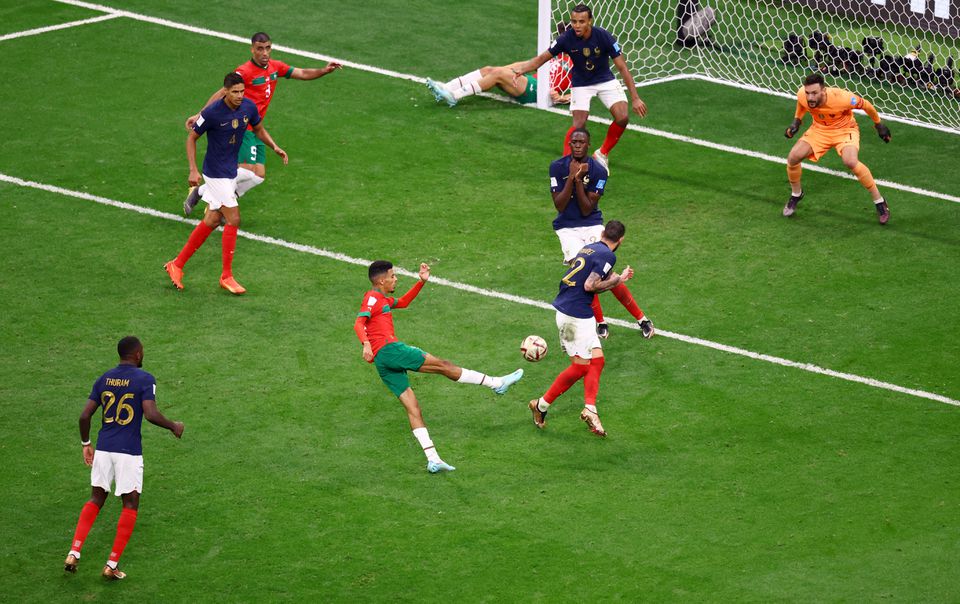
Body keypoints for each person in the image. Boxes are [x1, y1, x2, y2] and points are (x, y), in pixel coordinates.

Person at [354, 260, 524, 473]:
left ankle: (433, 459)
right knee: (444, 366)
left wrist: (421, 282)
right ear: (381, 280)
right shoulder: (371, 298)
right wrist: (366, 344)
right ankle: (496, 383)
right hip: (390, 351)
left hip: (383, 362)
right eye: (393, 275)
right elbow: (359, 323)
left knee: (413, 407)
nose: (396, 278)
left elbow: (404, 302)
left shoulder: (382, 299)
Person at [63, 336, 184, 581]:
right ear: (137, 354)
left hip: (104, 448)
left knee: (96, 498)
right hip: (128, 452)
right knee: (130, 504)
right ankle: (111, 564)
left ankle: (74, 552)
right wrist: (173, 425)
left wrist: (86, 444)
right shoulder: (145, 379)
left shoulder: (104, 378)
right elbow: (150, 414)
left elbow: (84, 416)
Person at [183, 32, 341, 215]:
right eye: (260, 49)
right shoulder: (244, 71)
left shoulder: (275, 67)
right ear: (252, 50)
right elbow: (222, 93)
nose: (264, 53)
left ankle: (204, 192)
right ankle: (218, 204)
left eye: (267, 48)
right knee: (247, 170)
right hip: (240, 127)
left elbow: (302, 73)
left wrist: (324, 70)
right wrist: (200, 114)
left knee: (258, 176)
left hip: (256, 126)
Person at [165, 73, 287, 295]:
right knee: (233, 218)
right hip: (215, 173)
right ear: (225, 91)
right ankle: (226, 276)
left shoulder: (248, 107)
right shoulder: (212, 113)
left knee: (212, 219)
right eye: (235, 92)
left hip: (230, 170)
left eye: (242, 91)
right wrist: (193, 169)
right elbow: (192, 138)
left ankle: (177, 264)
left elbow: (258, 129)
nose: (240, 96)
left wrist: (275, 147)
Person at [513, 3, 648, 173]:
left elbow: (623, 68)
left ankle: (602, 153)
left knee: (622, 117)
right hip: (581, 83)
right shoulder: (566, 38)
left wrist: (635, 98)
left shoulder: (604, 36)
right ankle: (566, 164)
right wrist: (522, 70)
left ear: (590, 21)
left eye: (581, 21)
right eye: (574, 21)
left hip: (605, 80)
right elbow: (542, 58)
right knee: (578, 125)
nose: (577, 25)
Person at [528, 220, 633, 437]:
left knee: (598, 359)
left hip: (568, 310)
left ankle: (590, 408)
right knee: (581, 367)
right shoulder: (608, 255)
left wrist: (613, 278)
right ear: (620, 240)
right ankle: (540, 405)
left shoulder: (589, 248)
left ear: (603, 233)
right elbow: (590, 285)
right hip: (576, 316)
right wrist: (618, 280)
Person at [549, 127, 654, 340]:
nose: (577, 145)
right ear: (570, 144)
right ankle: (600, 322)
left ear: (588, 145)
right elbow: (559, 206)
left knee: (604, 271)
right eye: (574, 142)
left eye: (581, 142)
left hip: (591, 224)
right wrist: (571, 178)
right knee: (583, 275)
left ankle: (641, 318)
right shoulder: (557, 167)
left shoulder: (598, 171)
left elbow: (587, 208)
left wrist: (579, 180)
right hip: (567, 228)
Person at [783, 72, 892, 224]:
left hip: (845, 130)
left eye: (814, 93)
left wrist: (878, 124)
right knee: (793, 157)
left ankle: (879, 201)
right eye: (808, 93)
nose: (810, 97)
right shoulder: (803, 94)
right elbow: (801, 104)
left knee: (850, 161)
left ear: (823, 90)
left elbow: (866, 105)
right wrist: (796, 121)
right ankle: (796, 194)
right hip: (820, 130)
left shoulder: (843, 98)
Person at [425, 54, 572, 107]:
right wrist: (503, 69)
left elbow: (584, 92)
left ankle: (454, 96)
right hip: (530, 81)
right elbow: (532, 63)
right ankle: (448, 87)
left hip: (538, 92)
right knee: (490, 69)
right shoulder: (559, 55)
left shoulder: (578, 65)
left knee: (498, 73)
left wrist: (561, 98)